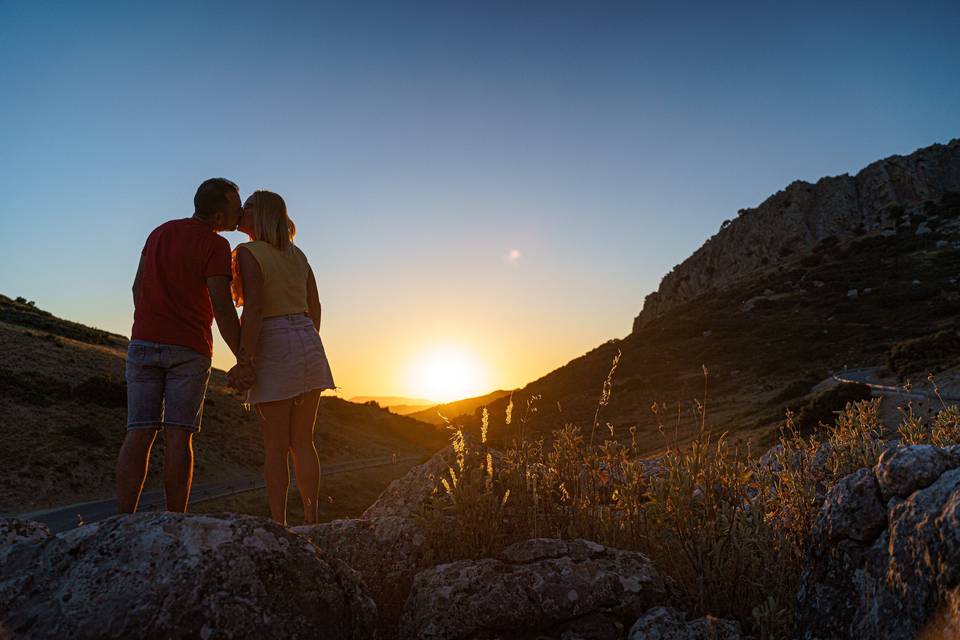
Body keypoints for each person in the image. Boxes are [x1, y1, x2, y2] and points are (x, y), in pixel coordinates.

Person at [116, 178, 254, 514]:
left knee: (139, 433)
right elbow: (222, 305)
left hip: (143, 343)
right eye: (236, 207)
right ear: (220, 216)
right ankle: (176, 521)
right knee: (179, 436)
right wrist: (242, 356)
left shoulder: (159, 232)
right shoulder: (215, 246)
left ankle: (122, 522)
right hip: (188, 350)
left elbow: (137, 287)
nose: (241, 212)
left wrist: (151, 321)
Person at [232, 190, 335, 525]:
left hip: (274, 339)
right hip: (307, 337)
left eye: (246, 207)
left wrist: (245, 357)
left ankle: (279, 523)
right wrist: (306, 336)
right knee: (303, 441)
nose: (241, 211)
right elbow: (315, 306)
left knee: (276, 445)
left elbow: (255, 308)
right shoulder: (298, 254)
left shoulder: (248, 252)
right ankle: (311, 519)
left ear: (258, 214)